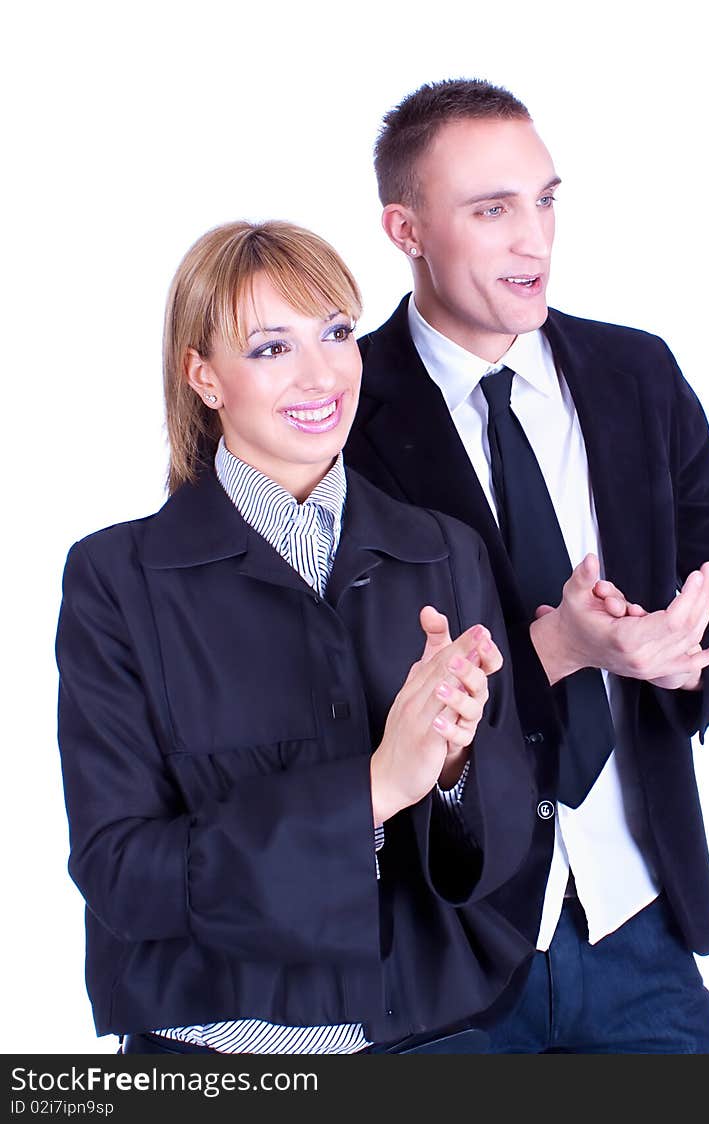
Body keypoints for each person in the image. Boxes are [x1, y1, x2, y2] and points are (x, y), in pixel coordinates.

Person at [346, 79, 709, 1053]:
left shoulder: (633, 373)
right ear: (405, 227)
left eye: (545, 199)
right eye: (491, 208)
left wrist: (678, 652)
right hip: (434, 946)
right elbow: (338, 678)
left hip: (634, 926)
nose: (534, 240)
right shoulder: (339, 411)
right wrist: (556, 646)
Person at [55, 219, 538, 1055]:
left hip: (431, 1043)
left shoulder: (443, 550)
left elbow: (499, 852)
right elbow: (122, 873)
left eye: (337, 334)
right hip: (213, 1057)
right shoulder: (116, 579)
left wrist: (454, 764)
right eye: (271, 349)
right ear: (204, 377)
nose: (322, 375)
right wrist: (374, 790)